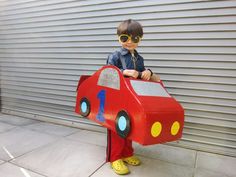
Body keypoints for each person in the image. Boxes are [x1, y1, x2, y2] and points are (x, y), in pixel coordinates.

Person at [106, 19, 160, 175]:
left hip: (132, 99)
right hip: (116, 99)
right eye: (124, 38)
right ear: (119, 38)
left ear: (140, 39)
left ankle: (127, 153)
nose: (129, 42)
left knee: (130, 128)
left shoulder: (139, 58)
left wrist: (148, 71)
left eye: (134, 38)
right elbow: (108, 72)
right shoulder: (115, 55)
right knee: (117, 128)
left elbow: (146, 76)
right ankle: (115, 157)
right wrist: (124, 71)